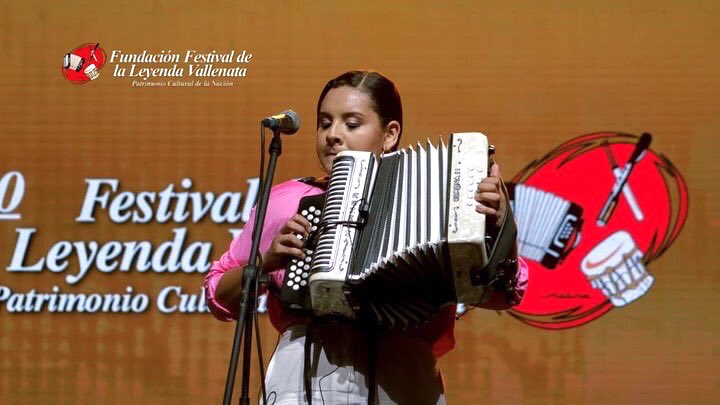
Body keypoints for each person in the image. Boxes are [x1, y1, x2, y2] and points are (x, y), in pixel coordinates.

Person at [204, 70, 528, 404]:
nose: (333, 135)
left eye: (352, 123)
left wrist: (501, 225)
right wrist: (264, 263)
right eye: (324, 123)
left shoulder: (439, 199)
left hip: (405, 378)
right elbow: (216, 292)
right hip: (306, 372)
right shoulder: (285, 200)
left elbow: (503, 294)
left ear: (390, 134)